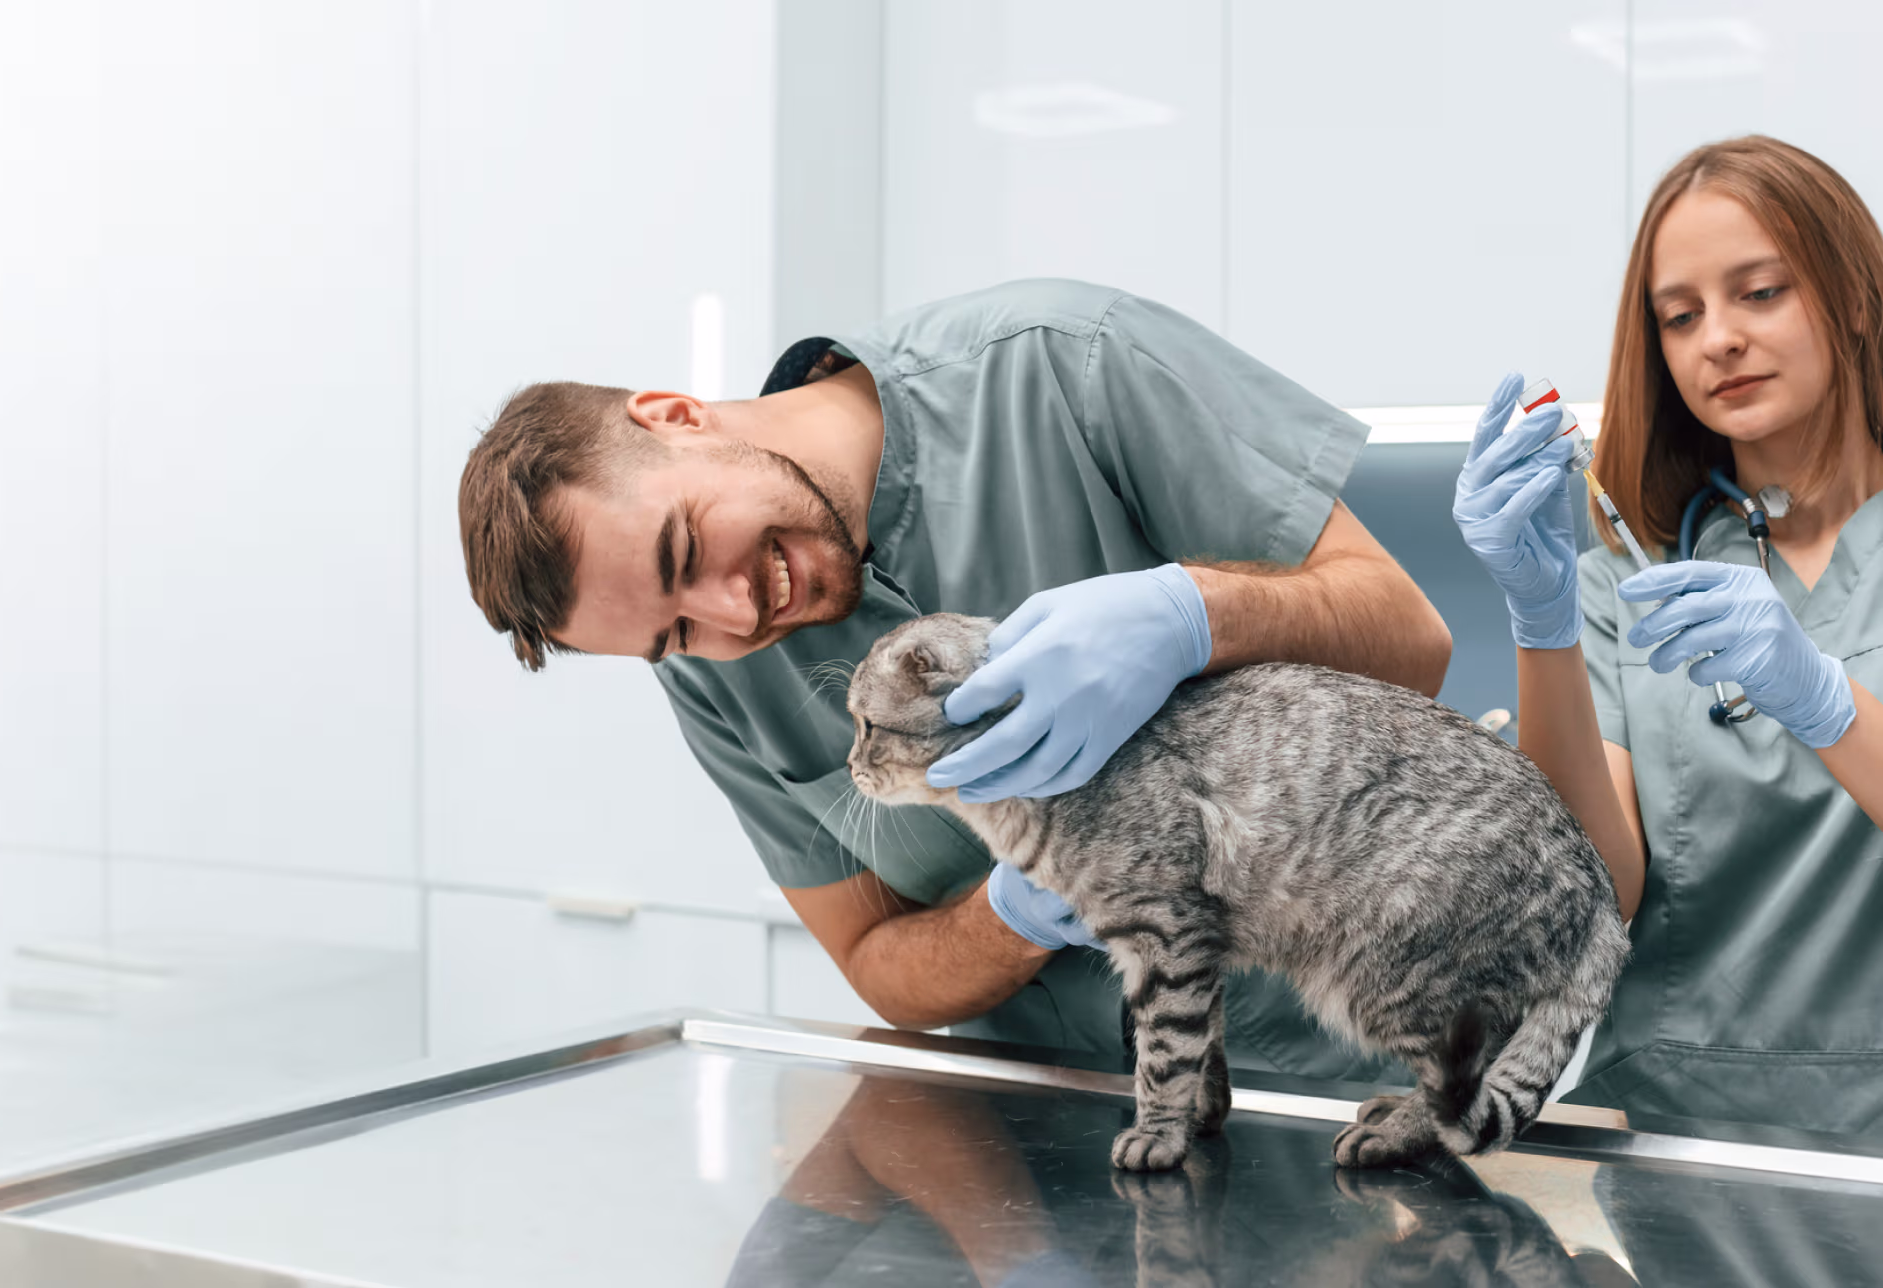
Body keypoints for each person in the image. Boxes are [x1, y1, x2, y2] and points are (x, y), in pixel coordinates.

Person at [455, 279, 1451, 1075]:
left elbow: (1411, 637)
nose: (731, 612)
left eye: (684, 550)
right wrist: (1014, 911)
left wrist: (1189, 615)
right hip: (1054, 1128)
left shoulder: (1067, 363)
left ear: (675, 414)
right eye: (674, 632)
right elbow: (872, 962)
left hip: (1358, 1069)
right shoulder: (713, 676)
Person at [1454, 134, 1883, 1135]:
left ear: (1853, 297)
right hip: (1681, 1142)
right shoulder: (1630, 584)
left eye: (1759, 293)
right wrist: (1543, 625)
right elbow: (1596, 886)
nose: (1715, 340)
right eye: (1678, 316)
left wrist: (1821, 700)